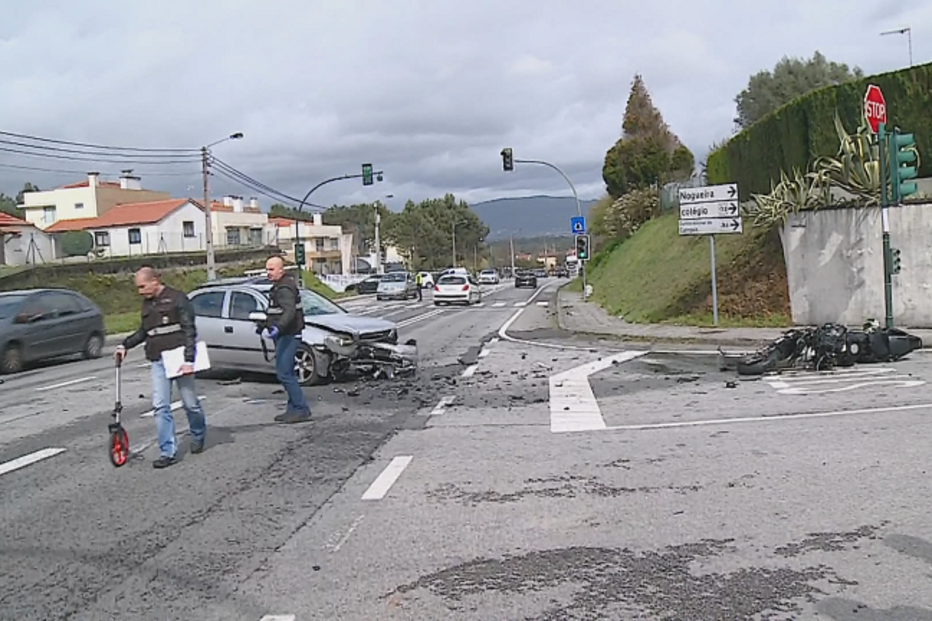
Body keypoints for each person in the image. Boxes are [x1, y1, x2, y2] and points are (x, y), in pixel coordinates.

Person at [115, 266, 206, 469]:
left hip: (179, 358)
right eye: (138, 288)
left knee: (190, 404)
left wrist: (189, 360)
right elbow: (144, 331)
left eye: (142, 286)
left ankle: (199, 433)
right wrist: (125, 344)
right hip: (158, 359)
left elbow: (189, 330)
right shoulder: (147, 304)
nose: (140, 292)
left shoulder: (177, 298)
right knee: (160, 406)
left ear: (155, 280)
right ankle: (168, 451)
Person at [264, 255, 312, 423]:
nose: (268, 273)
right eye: (267, 269)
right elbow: (277, 312)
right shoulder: (281, 286)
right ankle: (292, 409)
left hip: (288, 335)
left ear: (281, 270)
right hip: (287, 334)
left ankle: (300, 408)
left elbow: (289, 312)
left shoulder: (284, 288)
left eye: (271, 269)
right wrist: (265, 324)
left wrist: (278, 328)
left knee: (284, 373)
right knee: (288, 373)